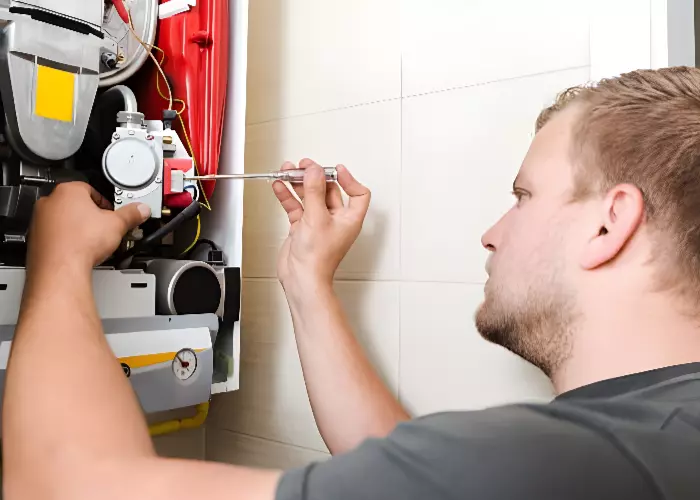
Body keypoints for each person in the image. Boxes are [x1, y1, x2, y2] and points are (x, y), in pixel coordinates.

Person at [4, 66, 700, 500]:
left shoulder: (553, 461)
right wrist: (308, 276)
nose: (494, 232)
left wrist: (59, 260)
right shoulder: (662, 431)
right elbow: (399, 465)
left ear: (610, 225)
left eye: (523, 196)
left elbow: (57, 485)